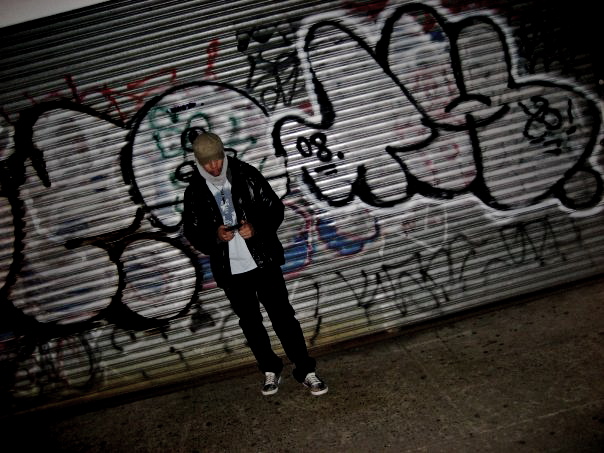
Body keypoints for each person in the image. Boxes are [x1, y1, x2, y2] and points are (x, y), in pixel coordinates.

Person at [183, 132, 328, 396]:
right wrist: (216, 237)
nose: (214, 166)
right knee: (250, 323)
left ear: (223, 154)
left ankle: (305, 370)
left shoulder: (246, 175)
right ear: (198, 162)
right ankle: (270, 368)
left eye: (217, 159)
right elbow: (193, 232)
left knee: (283, 317)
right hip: (230, 268)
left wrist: (256, 227)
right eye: (207, 162)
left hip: (263, 261)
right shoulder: (194, 191)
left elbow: (275, 209)